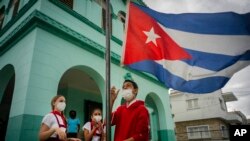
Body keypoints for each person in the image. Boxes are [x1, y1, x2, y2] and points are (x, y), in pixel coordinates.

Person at [110, 74, 150, 141]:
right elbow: (109, 122)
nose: (125, 88)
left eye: (128, 85)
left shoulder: (142, 109)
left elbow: (141, 135)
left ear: (135, 90)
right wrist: (111, 101)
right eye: (123, 87)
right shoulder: (120, 109)